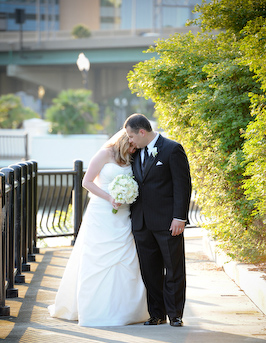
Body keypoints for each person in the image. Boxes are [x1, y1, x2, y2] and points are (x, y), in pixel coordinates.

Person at [48, 129, 149, 326]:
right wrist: (110, 197)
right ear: (122, 140)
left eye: (134, 146)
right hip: (102, 212)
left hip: (123, 213)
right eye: (130, 145)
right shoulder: (105, 154)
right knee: (96, 260)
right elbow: (86, 182)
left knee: (126, 259)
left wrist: (126, 195)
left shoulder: (131, 157)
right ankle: (94, 310)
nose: (133, 149)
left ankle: (125, 311)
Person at [124, 114, 192, 327]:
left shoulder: (172, 149)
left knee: (174, 268)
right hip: (141, 223)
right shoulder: (134, 153)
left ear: (142, 132)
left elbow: (182, 186)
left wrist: (179, 217)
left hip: (167, 222)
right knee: (150, 270)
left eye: (131, 136)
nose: (130, 141)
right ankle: (157, 313)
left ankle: (175, 314)